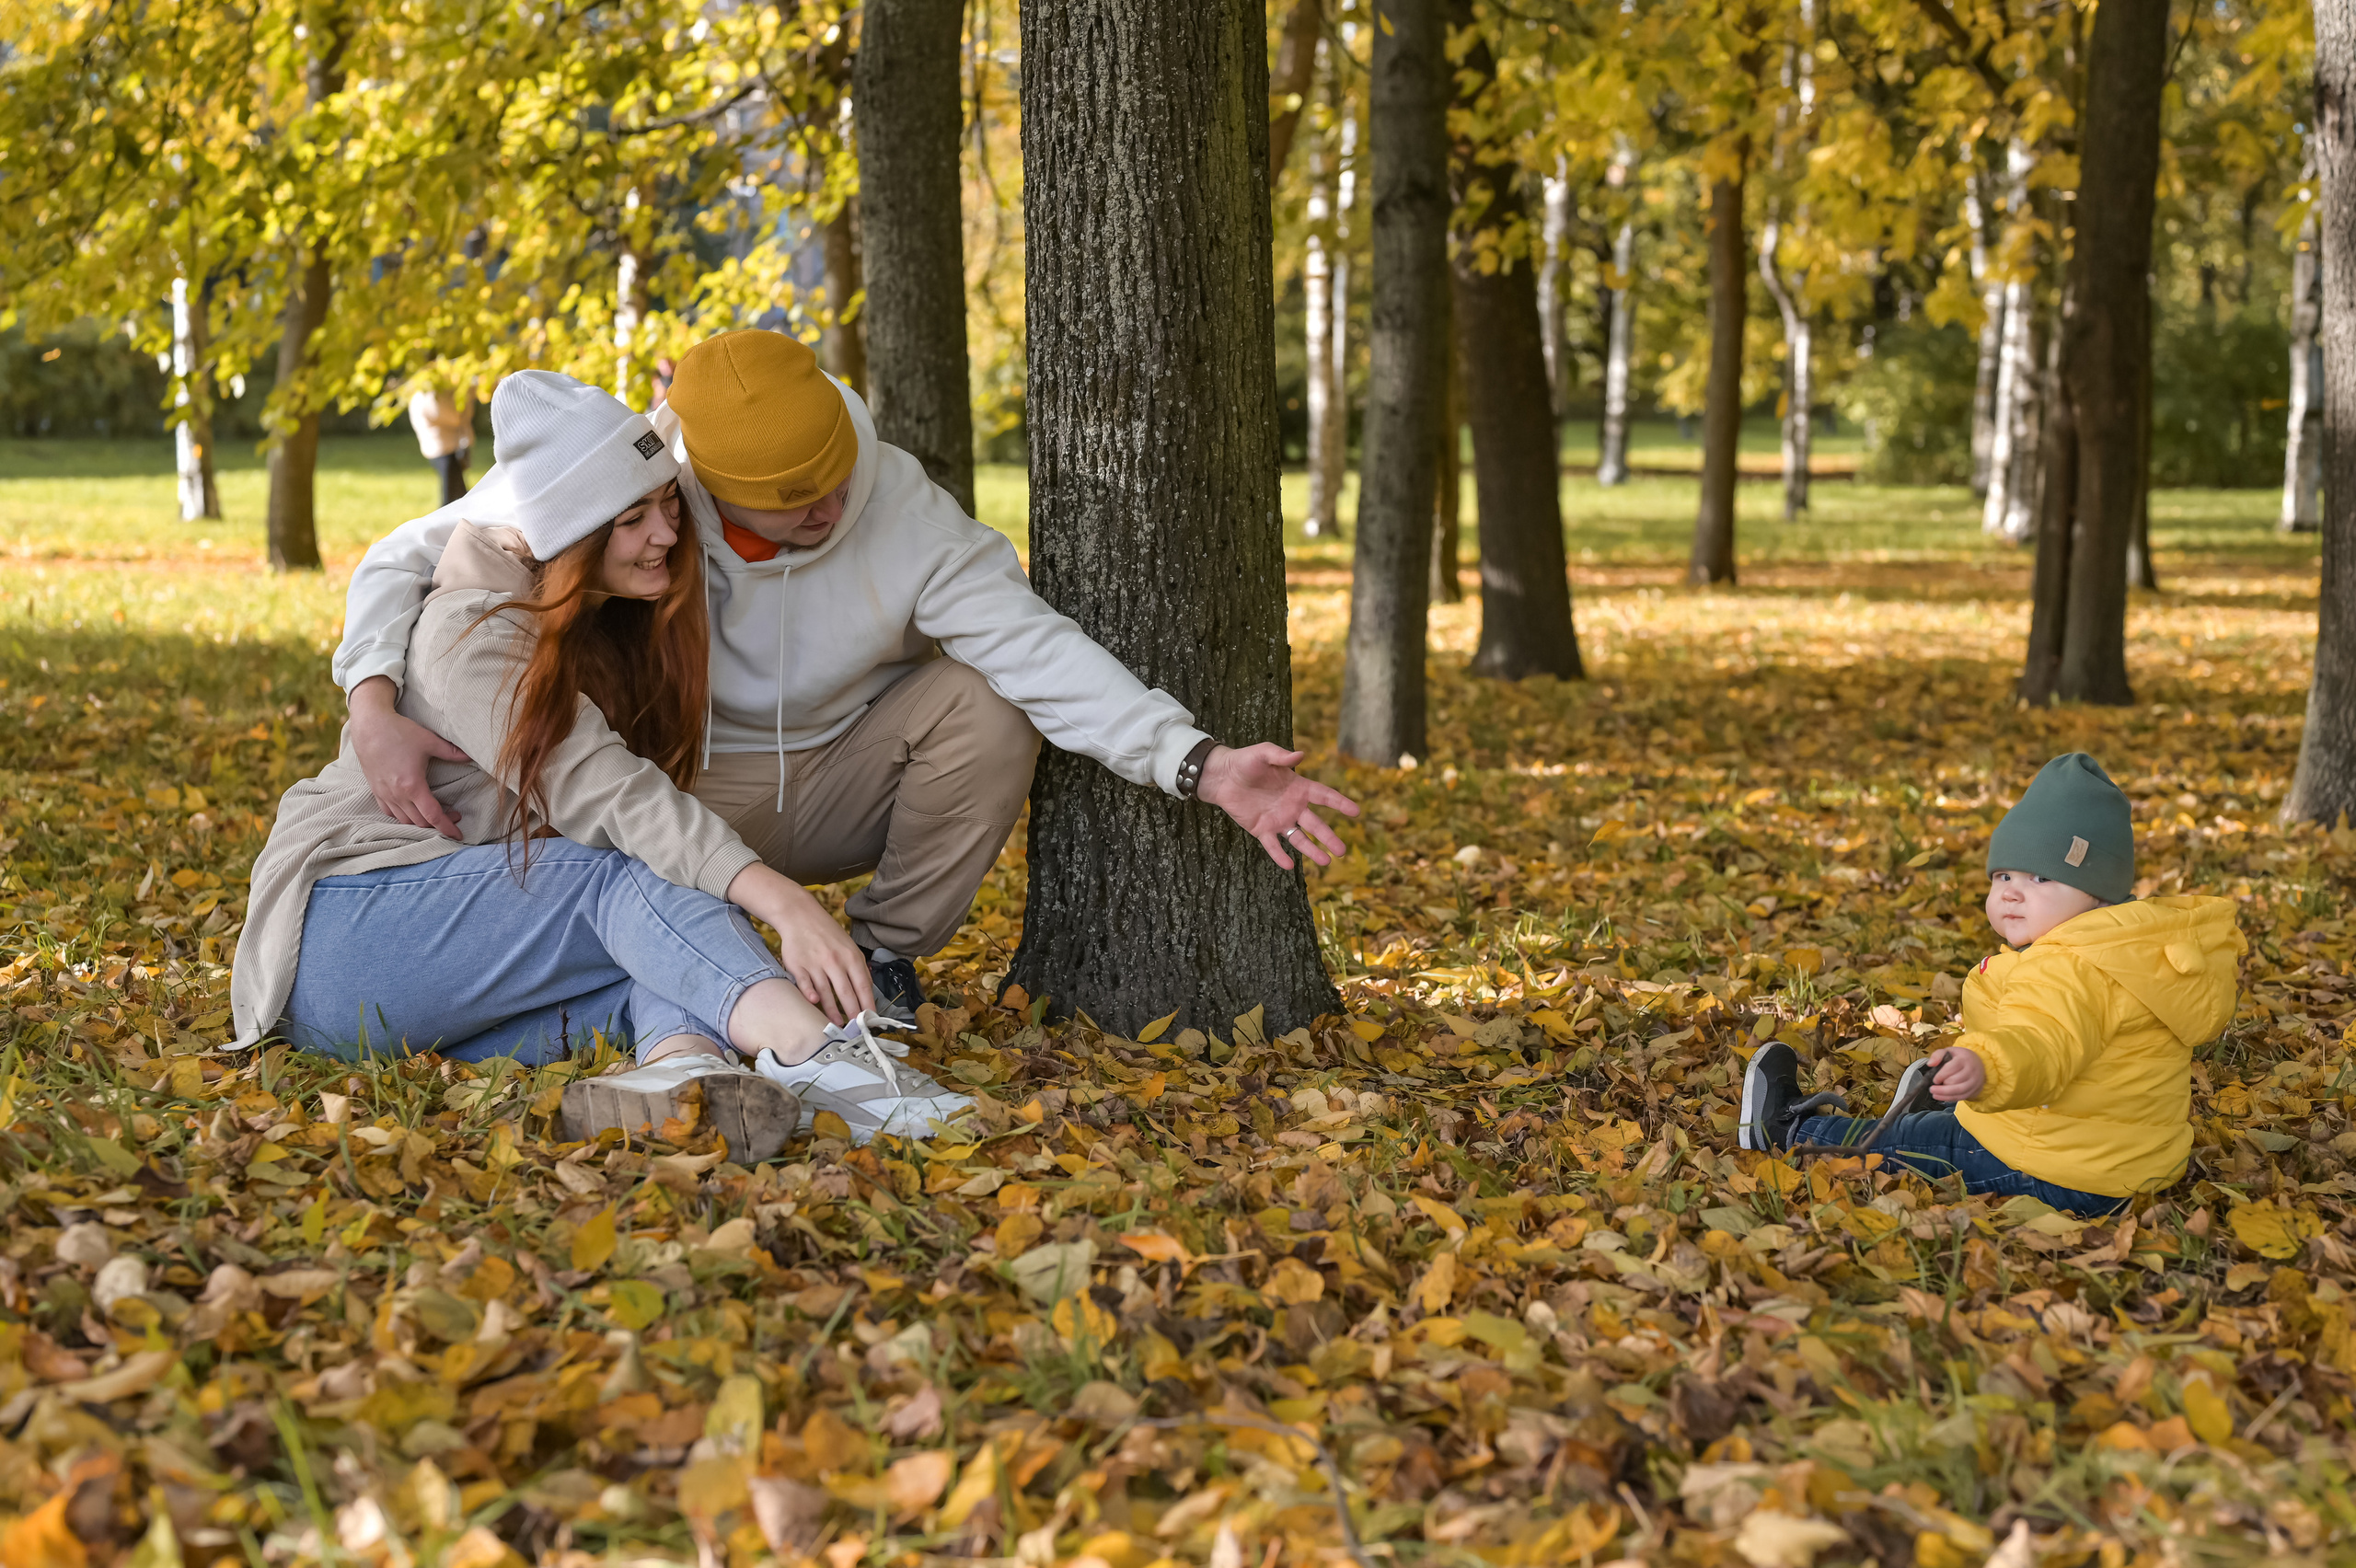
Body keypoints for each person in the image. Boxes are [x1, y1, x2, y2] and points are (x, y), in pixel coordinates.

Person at [334, 330, 1359, 1020]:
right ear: (701, 478)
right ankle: (688, 979)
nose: (827, 510)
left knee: (990, 699)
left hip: (839, 778)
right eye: (792, 502)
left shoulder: (899, 510)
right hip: (672, 785)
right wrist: (372, 701)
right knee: (598, 808)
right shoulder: (639, 480)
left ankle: (873, 963)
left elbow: (1034, 647)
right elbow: (414, 555)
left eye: (832, 480)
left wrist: (1200, 763)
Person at [231, 370, 972, 1153]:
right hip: (345, 941)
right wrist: (786, 904)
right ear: (568, 532)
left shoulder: (593, 620)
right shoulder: (471, 634)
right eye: (631, 519)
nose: (665, 534)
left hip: (438, 980)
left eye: (668, 506)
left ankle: (680, 1079)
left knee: (665, 961)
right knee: (630, 865)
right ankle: (823, 1057)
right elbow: (609, 797)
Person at [1738, 753, 2244, 1216]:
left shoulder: (2066, 968)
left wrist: (1988, 1068)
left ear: (2097, 896)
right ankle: (1951, 1097)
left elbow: (2043, 1044)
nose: (2014, 895)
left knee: (1911, 1143)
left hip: (2057, 1171)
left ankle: (1790, 1129)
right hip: (2131, 1167)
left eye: (2041, 880)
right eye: (2003, 877)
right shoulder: (2130, 950)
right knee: (1943, 1124)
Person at [409, 383, 475, 506]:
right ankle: (449, 522)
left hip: (446, 448)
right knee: (451, 497)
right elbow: (455, 418)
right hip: (443, 449)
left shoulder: (426, 392)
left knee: (460, 493)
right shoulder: (428, 395)